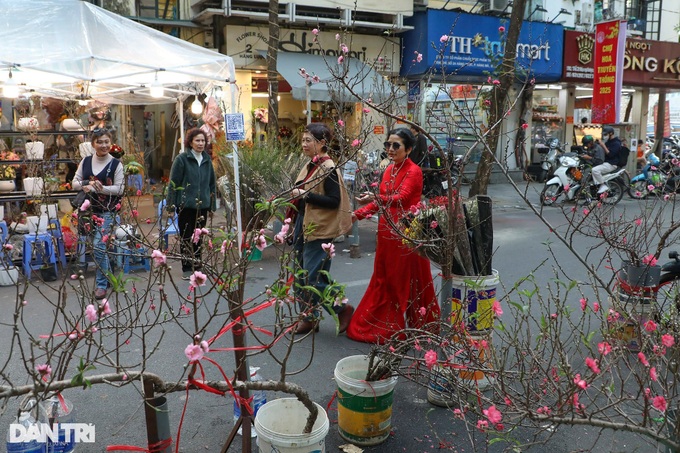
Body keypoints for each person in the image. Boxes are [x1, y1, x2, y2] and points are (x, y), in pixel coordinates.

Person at [347, 128, 440, 344]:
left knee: (401, 280)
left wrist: (375, 197)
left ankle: (399, 326)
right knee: (384, 278)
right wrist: (357, 215)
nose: (390, 149)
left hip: (405, 233)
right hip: (387, 231)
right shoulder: (389, 170)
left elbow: (402, 198)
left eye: (395, 145)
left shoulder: (414, 171)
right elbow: (383, 200)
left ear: (408, 149)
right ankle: (387, 322)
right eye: (387, 145)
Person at [290, 123, 354, 335]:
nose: (304, 144)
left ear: (322, 143)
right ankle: (308, 317)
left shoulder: (328, 168)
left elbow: (334, 201)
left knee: (313, 278)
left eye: (309, 140)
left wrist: (305, 195)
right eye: (303, 140)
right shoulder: (312, 165)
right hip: (305, 223)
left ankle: (342, 308)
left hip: (319, 229)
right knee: (300, 275)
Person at [72, 128, 124, 300]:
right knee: (96, 248)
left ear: (111, 142)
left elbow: (120, 189)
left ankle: (101, 285)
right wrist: (87, 183)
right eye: (99, 142)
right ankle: (109, 277)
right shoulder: (86, 161)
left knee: (98, 246)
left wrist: (100, 187)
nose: (103, 145)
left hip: (108, 210)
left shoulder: (116, 164)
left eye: (106, 141)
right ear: (93, 143)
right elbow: (75, 183)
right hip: (89, 210)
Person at [166, 128, 217, 279]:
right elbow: (173, 183)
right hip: (185, 206)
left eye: (203, 141)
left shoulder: (207, 160)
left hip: (203, 206)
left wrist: (212, 205)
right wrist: (170, 206)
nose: (200, 143)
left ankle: (198, 265)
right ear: (190, 142)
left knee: (199, 236)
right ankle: (188, 268)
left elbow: (212, 184)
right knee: (187, 237)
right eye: (197, 140)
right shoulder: (182, 159)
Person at [592, 125, 621, 194]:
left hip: (611, 164)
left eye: (606, 134)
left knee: (595, 170)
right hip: (605, 162)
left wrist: (603, 145)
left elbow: (610, 154)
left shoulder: (616, 143)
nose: (604, 136)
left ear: (611, 133)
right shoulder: (608, 142)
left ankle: (602, 185)